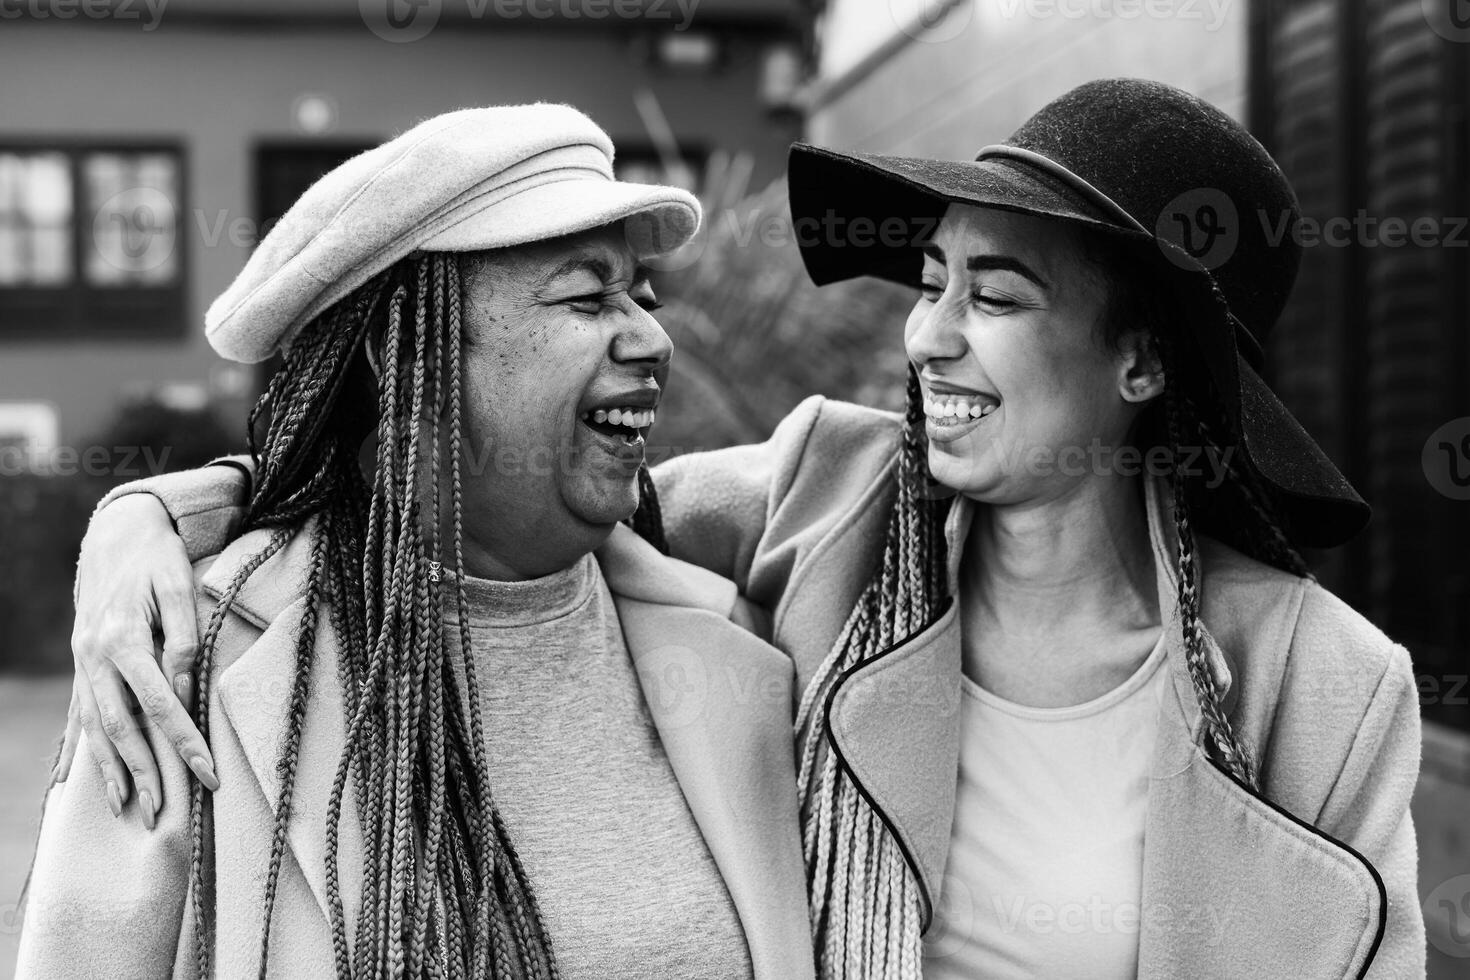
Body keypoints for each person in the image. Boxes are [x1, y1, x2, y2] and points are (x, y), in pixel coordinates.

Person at [61, 80, 1424, 979]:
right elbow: (465, 475)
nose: (924, 335)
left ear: (1144, 365)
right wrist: (152, 516)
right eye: (929, 281)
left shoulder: (1322, 688)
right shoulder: (823, 505)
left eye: (993, 296)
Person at [19, 104, 815, 980]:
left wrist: (157, 503)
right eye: (588, 298)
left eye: (643, 295)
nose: (653, 337)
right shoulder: (182, 662)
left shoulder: (731, 622)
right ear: (399, 363)